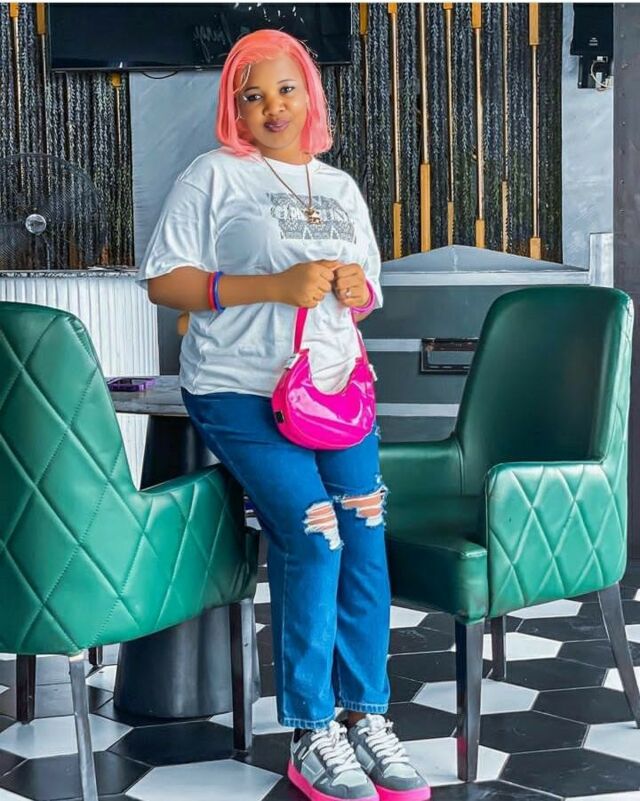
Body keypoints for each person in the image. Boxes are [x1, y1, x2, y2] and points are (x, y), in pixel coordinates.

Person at [137, 28, 430, 801]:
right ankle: (310, 729)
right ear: (234, 108)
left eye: (285, 89)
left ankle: (366, 715)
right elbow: (164, 282)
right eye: (252, 95)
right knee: (315, 532)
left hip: (333, 388)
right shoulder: (213, 175)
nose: (272, 106)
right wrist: (273, 285)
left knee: (364, 535)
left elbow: (367, 291)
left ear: (310, 94)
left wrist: (355, 289)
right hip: (237, 386)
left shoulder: (338, 188)